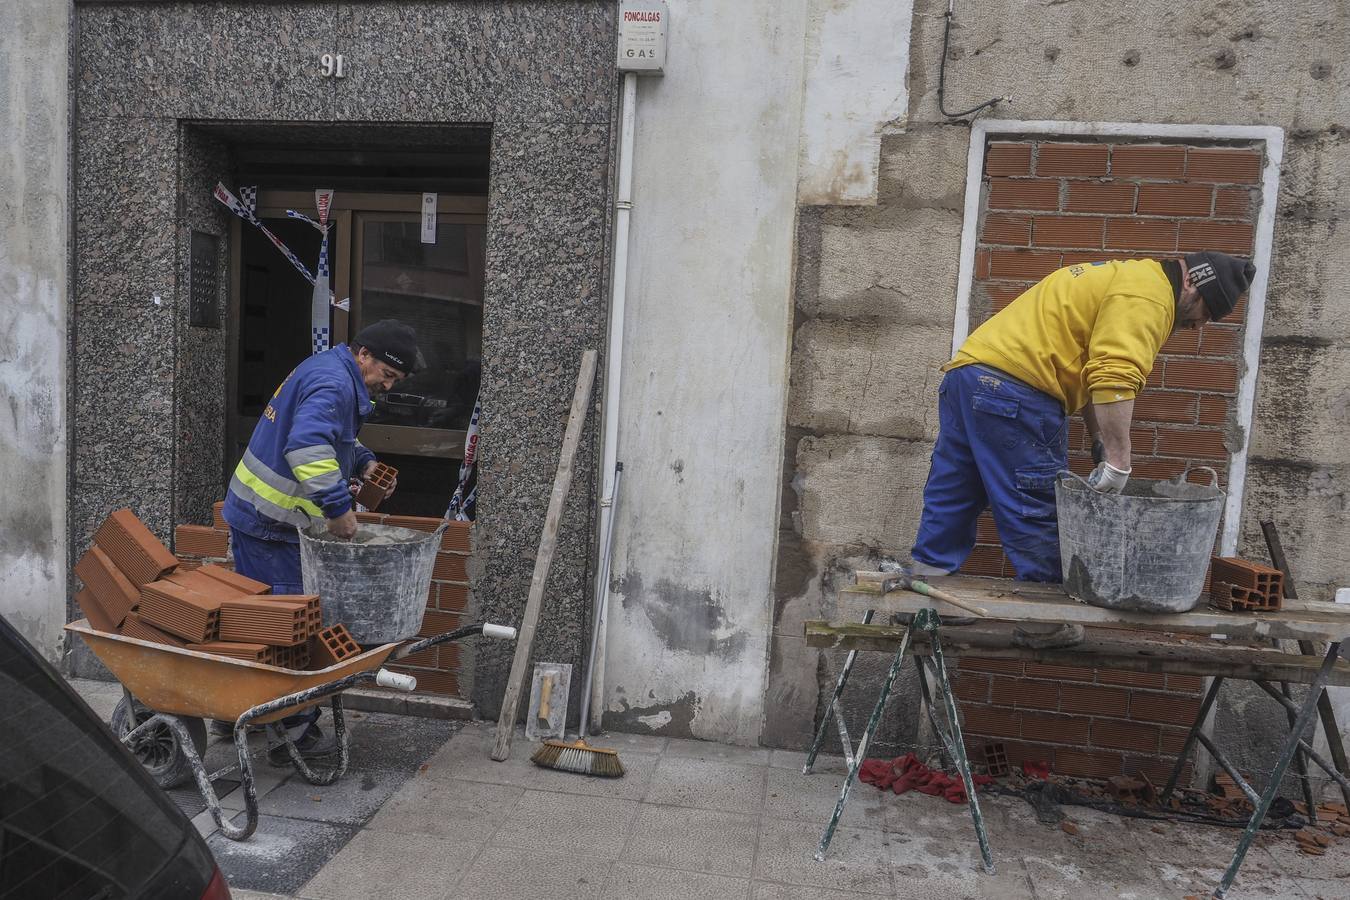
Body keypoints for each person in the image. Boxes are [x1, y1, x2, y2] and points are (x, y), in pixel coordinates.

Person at [909, 251, 1256, 585]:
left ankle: (928, 597)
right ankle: (1047, 623)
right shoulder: (1150, 297)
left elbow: (1094, 375)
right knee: (1039, 508)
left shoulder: (1126, 278)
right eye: (1206, 311)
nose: (1199, 325)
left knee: (955, 489)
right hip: (1016, 393)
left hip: (968, 376)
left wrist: (1099, 440)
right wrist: (1119, 463)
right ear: (1193, 283)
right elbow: (1114, 378)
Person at [221, 319, 420, 760]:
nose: (386, 386)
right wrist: (338, 511)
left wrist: (364, 463)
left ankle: (235, 709)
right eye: (386, 374)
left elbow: (333, 439)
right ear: (363, 353)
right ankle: (290, 733)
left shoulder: (332, 370)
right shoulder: (334, 382)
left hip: (262, 517)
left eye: (394, 381)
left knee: (267, 618)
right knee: (291, 625)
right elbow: (308, 449)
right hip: (270, 524)